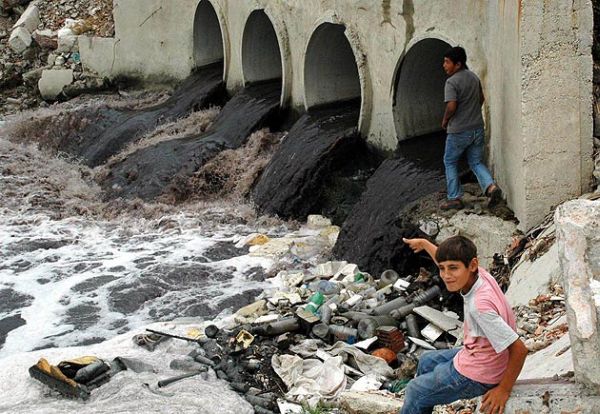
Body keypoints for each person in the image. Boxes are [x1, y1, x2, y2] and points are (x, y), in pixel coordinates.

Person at [400, 235, 528, 414]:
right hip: (481, 353)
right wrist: (424, 244)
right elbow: (448, 259)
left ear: (473, 265)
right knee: (426, 361)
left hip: (481, 374)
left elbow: (519, 350)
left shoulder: (479, 306)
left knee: (415, 390)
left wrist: (503, 390)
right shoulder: (480, 276)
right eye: (442, 269)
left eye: (452, 269)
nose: (446, 275)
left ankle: (420, 401)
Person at [441, 46, 502, 210]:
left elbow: (452, 106)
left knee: (450, 161)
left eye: (447, 62)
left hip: (459, 131)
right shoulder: (473, 77)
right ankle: (491, 187)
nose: (444, 65)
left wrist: (445, 120)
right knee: (475, 161)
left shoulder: (451, 82)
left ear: (458, 64)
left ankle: (454, 197)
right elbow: (481, 98)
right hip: (477, 128)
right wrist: (472, 112)